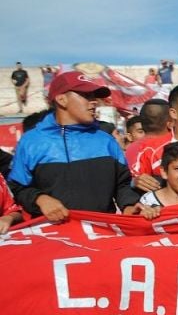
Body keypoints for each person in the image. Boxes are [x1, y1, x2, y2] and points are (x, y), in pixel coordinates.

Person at [8, 71, 146, 221]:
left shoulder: (106, 140)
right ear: (62, 99)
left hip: (101, 233)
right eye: (86, 96)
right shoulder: (31, 141)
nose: (94, 101)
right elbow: (17, 187)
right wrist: (40, 199)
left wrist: (129, 205)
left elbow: (122, 184)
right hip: (53, 236)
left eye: (94, 96)